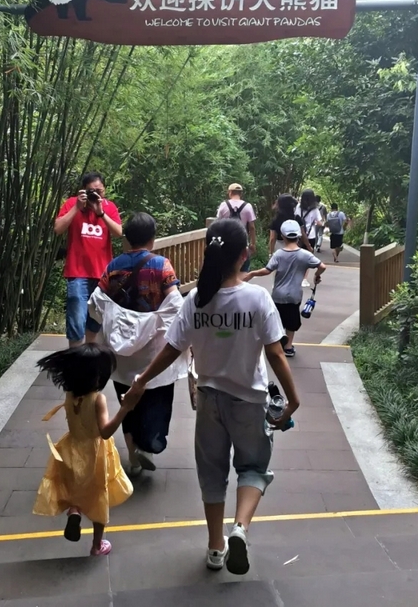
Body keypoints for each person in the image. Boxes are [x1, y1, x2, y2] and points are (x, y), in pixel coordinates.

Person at [124, 219, 300, 576]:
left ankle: (216, 547)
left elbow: (172, 349)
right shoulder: (256, 298)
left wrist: (141, 380)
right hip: (250, 401)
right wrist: (293, 400)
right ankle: (240, 529)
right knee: (253, 468)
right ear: (244, 255)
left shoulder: (196, 300)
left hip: (208, 400)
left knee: (212, 474)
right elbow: (276, 353)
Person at [87, 212, 189, 476]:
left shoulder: (113, 266)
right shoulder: (161, 265)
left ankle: (133, 455)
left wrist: (90, 344)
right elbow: (175, 303)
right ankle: (147, 445)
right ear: (152, 239)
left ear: (127, 239)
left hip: (120, 351)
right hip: (153, 351)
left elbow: (95, 305)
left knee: (126, 401)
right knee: (157, 398)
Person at [33, 344, 138, 556]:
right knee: (98, 494)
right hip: (94, 453)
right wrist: (125, 408)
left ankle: (75, 511)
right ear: (97, 375)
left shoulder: (70, 394)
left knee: (77, 486)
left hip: (70, 449)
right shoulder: (98, 399)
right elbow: (105, 432)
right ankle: (97, 545)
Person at [54, 172, 123, 346]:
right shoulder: (72, 203)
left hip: (102, 274)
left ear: (104, 190)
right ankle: (75, 357)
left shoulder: (109, 207)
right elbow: (58, 229)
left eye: (99, 191)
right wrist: (77, 207)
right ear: (84, 190)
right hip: (77, 272)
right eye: (91, 191)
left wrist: (101, 213)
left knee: (95, 322)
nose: (95, 195)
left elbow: (118, 233)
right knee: (76, 321)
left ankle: (90, 356)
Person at [245, 219, 326, 358]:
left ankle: (276, 344)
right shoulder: (305, 255)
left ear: (282, 236)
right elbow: (322, 266)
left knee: (277, 320)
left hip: (278, 295)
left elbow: (267, 270)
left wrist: (252, 273)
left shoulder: (279, 254)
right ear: (299, 236)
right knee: (292, 322)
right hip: (294, 295)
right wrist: (317, 275)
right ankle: (288, 347)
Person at [215, 183, 257, 272]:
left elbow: (217, 224)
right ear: (241, 193)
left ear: (230, 192)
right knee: (244, 269)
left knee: (227, 269)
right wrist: (253, 243)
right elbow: (252, 227)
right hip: (242, 243)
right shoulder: (248, 206)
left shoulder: (223, 205)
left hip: (226, 243)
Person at [295, 189, 323, 287]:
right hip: (310, 236)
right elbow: (319, 222)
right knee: (307, 257)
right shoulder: (315, 210)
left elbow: (295, 218)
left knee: (297, 256)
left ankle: (297, 277)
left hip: (298, 235)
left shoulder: (298, 207)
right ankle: (304, 279)